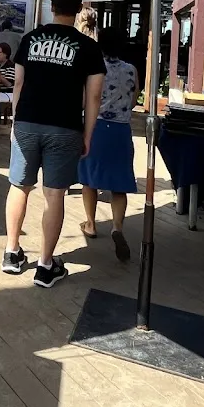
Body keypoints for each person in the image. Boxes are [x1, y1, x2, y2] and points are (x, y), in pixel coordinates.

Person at [2, 0, 105, 287]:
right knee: (54, 194)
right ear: (78, 10)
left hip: (27, 124)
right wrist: (88, 134)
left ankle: (11, 253)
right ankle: (46, 266)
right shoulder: (88, 47)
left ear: (51, 7)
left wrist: (13, 123)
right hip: (65, 126)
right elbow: (95, 95)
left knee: (19, 187)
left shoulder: (30, 39)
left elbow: (18, 84)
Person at [77, 28, 138, 261]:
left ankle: (91, 224)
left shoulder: (93, 68)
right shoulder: (131, 69)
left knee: (89, 179)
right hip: (121, 130)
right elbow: (133, 101)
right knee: (119, 183)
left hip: (97, 127)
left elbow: (85, 100)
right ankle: (117, 228)